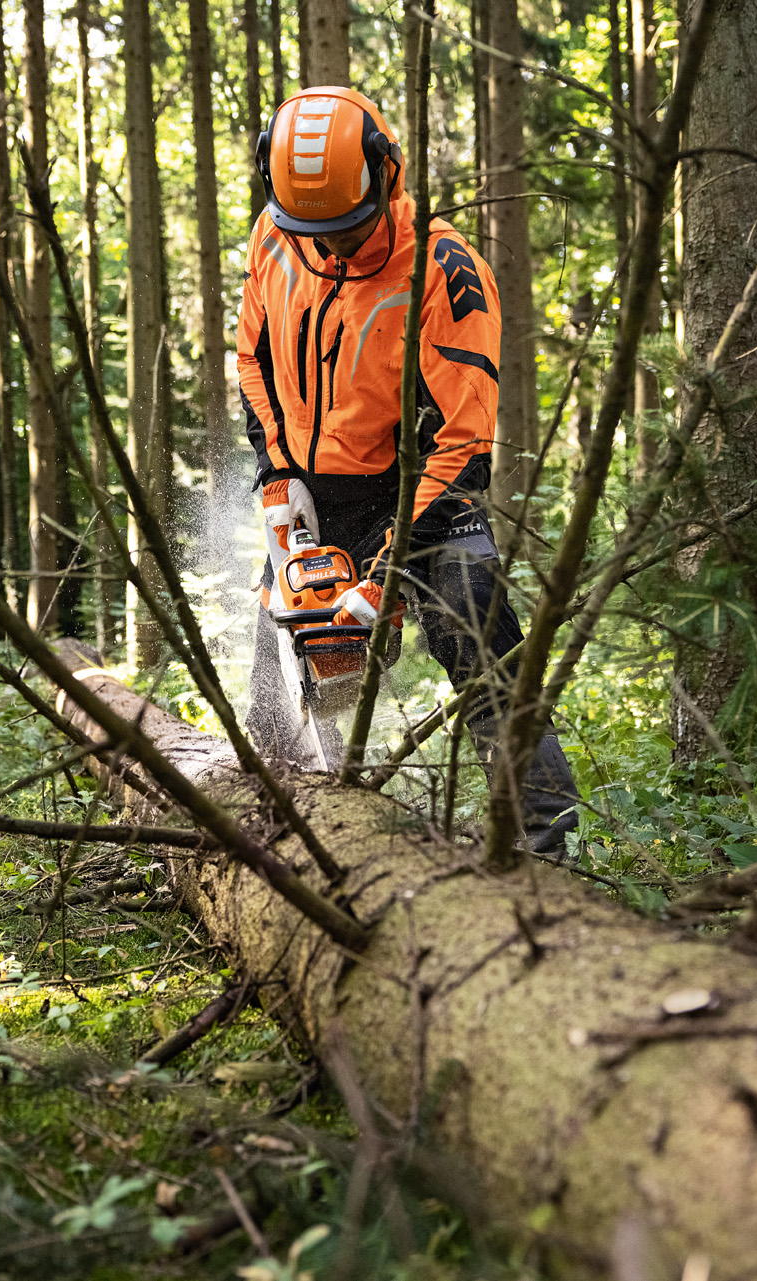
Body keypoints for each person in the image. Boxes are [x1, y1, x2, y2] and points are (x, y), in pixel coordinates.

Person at [237, 86, 580, 855]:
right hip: (312, 487)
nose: (332, 248)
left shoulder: (442, 271)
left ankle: (542, 836)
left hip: (420, 488)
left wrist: (388, 568)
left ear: (387, 179)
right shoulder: (273, 238)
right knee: (279, 663)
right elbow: (252, 361)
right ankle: (277, 819)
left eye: (348, 229)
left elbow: (464, 442)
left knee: (476, 622)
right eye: (315, 231)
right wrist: (276, 470)